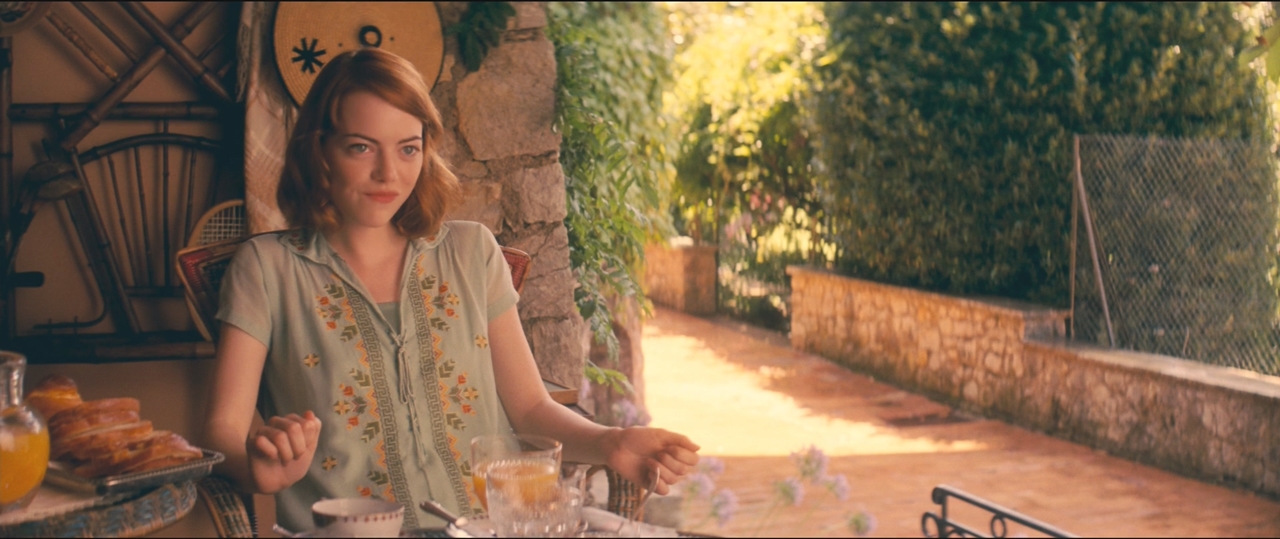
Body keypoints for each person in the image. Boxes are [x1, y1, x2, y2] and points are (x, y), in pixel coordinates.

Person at [203, 48, 700, 532]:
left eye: (408, 148)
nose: (388, 173)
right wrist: (259, 470)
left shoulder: (472, 252)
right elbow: (223, 432)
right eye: (361, 147)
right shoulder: (265, 269)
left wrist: (613, 443)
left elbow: (530, 408)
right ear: (320, 151)